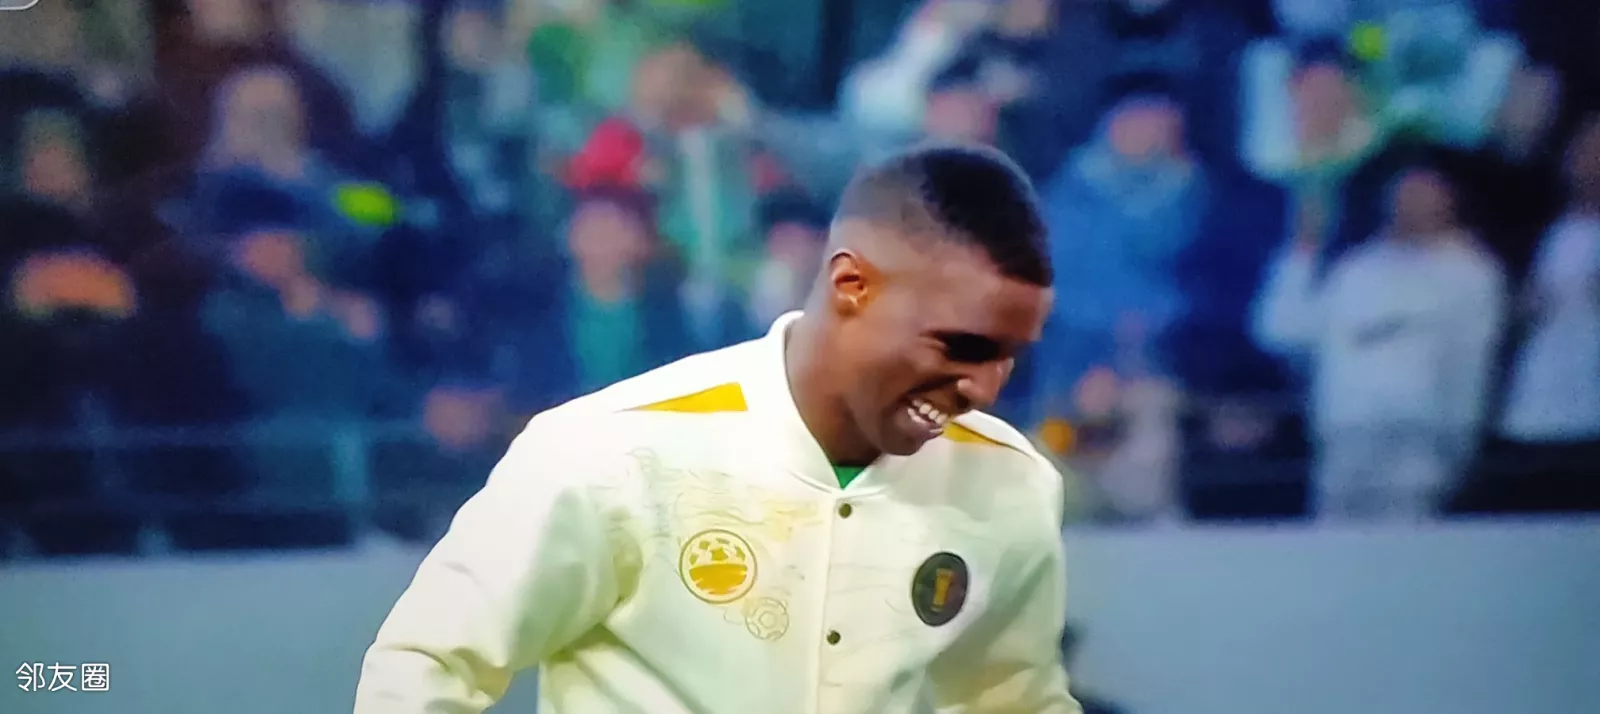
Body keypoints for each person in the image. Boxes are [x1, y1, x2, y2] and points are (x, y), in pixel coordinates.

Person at [354, 144, 1081, 713]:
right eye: (958, 346)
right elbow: (424, 665)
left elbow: (1014, 700)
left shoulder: (1005, 483)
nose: (983, 388)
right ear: (850, 286)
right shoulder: (611, 450)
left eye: (1008, 356)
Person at [1252, 165, 1507, 522]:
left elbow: (1471, 360)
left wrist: (1461, 437)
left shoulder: (1472, 273)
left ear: (1449, 201)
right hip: (1346, 435)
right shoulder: (1356, 269)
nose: (1411, 204)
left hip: (1420, 439)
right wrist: (1302, 253)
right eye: (1404, 194)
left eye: (1425, 194)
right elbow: (1282, 331)